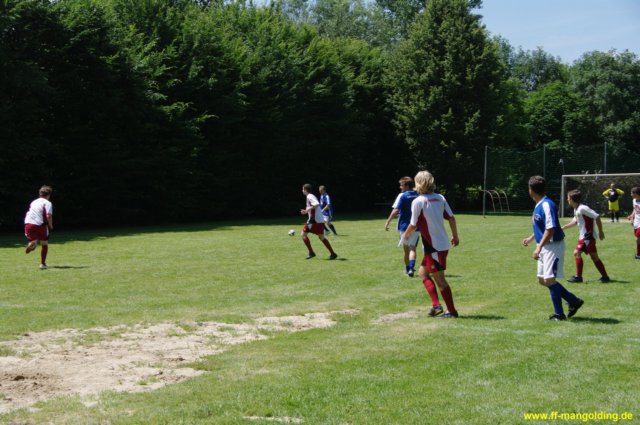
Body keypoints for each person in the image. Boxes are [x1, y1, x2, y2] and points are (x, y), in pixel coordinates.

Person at [522, 176, 584, 321]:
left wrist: (538, 247)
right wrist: (531, 238)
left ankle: (559, 315)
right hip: (545, 245)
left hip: (553, 246)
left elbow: (550, 229)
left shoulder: (546, 205)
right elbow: (543, 227)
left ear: (531, 190)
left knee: (549, 279)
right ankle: (573, 301)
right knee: (542, 280)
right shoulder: (540, 204)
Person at [402, 171, 459, 318]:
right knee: (423, 273)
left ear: (418, 183)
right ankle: (436, 306)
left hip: (434, 247)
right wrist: (455, 236)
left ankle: (452, 311)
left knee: (440, 280)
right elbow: (451, 218)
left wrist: (405, 235)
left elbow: (413, 224)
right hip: (438, 245)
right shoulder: (440, 198)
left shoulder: (418, 201)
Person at [561, 189, 610, 283]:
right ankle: (605, 277)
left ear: (572, 199)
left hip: (587, 236)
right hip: (585, 237)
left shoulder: (583, 208)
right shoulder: (576, 209)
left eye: (568, 198)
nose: (567, 200)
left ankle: (578, 277)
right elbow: (575, 222)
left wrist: (601, 232)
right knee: (594, 256)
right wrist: (563, 227)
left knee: (577, 253)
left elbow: (597, 216)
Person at [385, 177, 419, 277]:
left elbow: (396, 210)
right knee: (412, 248)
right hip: (416, 226)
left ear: (407, 186)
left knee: (406, 249)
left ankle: (408, 269)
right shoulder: (418, 195)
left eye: (402, 185)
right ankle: (412, 268)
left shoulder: (403, 195)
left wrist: (388, 222)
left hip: (404, 226)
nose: (400, 187)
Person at [300, 184, 337, 260]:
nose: (302, 191)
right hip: (319, 220)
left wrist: (307, 210)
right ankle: (333, 254)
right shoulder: (310, 196)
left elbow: (316, 204)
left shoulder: (309, 196)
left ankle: (311, 252)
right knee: (321, 237)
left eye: (303, 189)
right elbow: (314, 207)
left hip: (314, 220)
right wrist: (306, 211)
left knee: (303, 235)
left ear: (306, 190)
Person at [24, 185, 54, 270]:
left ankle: (31, 244)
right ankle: (42, 264)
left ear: (40, 194)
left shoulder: (34, 202)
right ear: (48, 195)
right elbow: (48, 216)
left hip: (29, 224)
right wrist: (50, 225)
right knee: (44, 244)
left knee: (33, 242)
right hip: (41, 225)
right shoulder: (47, 203)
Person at [627, 186, 640, 260]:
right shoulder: (634, 200)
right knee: (637, 238)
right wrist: (632, 217)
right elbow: (635, 210)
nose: (631, 194)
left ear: (636, 194)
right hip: (637, 222)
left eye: (632, 193)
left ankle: (638, 254)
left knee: (638, 238)